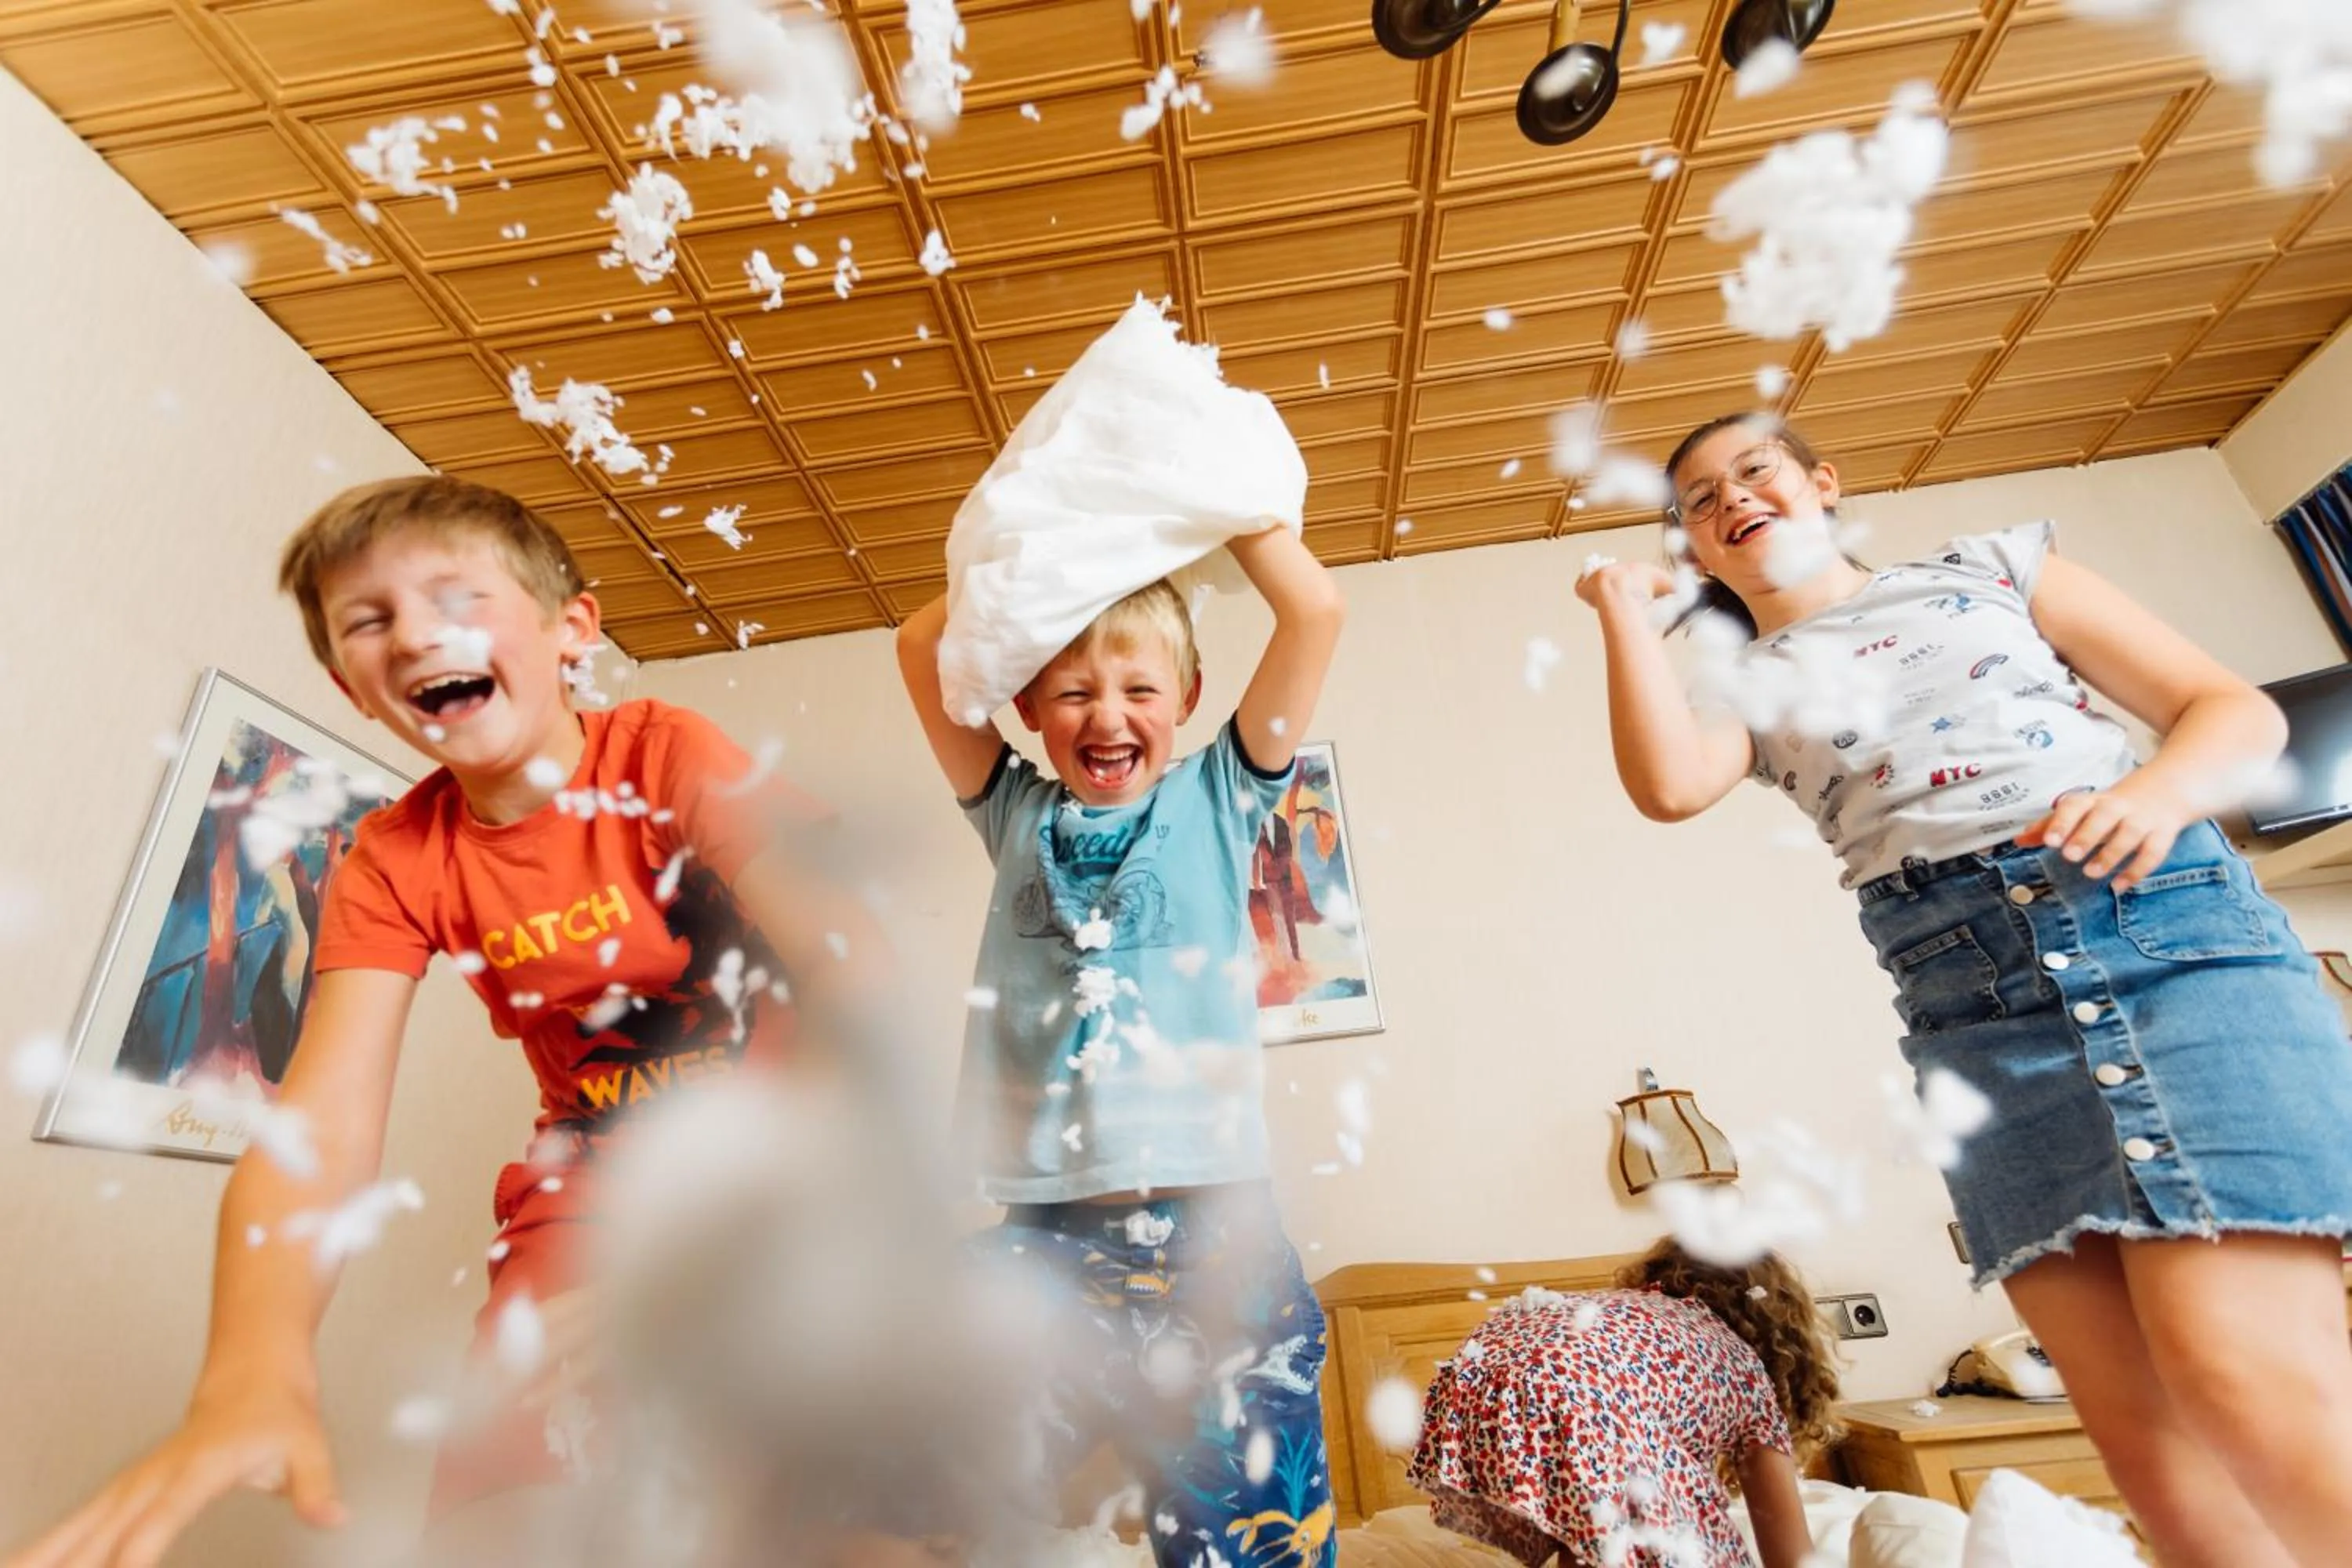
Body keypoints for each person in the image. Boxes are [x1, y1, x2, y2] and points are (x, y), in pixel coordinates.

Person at [7, 475, 881, 1568]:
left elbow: (856, 977)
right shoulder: (396, 858)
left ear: (573, 630)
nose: (415, 635)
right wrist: (252, 1369)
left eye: (454, 599)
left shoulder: (667, 756)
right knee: (502, 1523)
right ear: (352, 688)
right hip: (588, 1204)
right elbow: (319, 1132)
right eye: (369, 621)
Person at [1576, 412, 2352, 1568]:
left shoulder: (1991, 569)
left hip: (2157, 932)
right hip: (1970, 1012)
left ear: (1820, 482)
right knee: (2160, 1470)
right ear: (1696, 551)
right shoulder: (1750, 684)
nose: (1729, 495)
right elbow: (1670, 786)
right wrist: (1619, 614)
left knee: (2233, 1372)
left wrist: (2158, 795)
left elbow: (2232, 711)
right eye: (1697, 500)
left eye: (1755, 468)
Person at [894, 524, 1345, 1568]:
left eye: (1140, 690)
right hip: (1048, 1232)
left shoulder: (1221, 796)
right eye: (1073, 693)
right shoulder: (1014, 813)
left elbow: (1315, 612)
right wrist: (1049, 519)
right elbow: (920, 647)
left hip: (1214, 1229)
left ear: (1187, 700)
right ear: (1026, 708)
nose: (1108, 716)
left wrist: (1219, 507)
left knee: (1252, 1528)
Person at [1409, 1239, 1835, 1568]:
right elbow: (1791, 1555)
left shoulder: (1615, 1314)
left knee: (1598, 1523)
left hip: (1481, 1375)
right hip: (1581, 1397)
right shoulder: (1742, 1366)